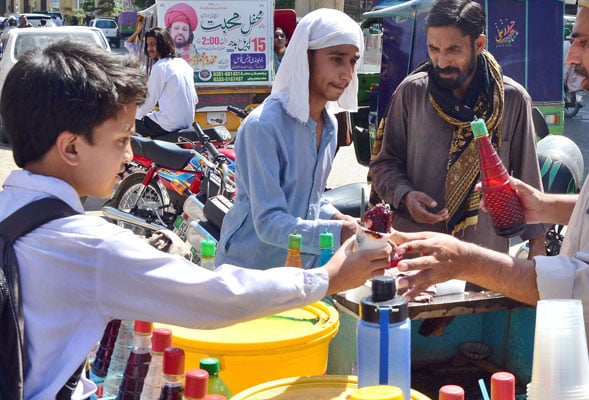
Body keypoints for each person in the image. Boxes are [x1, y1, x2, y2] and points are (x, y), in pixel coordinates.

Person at [0, 39, 391, 398]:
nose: (128, 158)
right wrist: (329, 278)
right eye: (121, 141)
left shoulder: (10, 210)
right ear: (70, 147)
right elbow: (217, 297)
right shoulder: (89, 245)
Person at [392, 0, 589, 382]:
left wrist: (464, 261)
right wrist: (542, 205)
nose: (571, 57)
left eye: (583, 42)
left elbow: (583, 288)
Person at [368, 0, 545, 258]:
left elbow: (529, 180)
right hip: (417, 253)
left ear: (479, 45)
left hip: (484, 258)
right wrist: (405, 196)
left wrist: (537, 247)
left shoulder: (512, 100)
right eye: (433, 49)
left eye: (453, 50)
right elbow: (383, 164)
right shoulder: (412, 93)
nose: (441, 61)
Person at [215, 8, 363, 270]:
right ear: (306, 58)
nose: (347, 75)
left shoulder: (328, 126)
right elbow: (269, 222)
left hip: (300, 271)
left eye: (352, 61)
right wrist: (337, 232)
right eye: (337, 59)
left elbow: (307, 199)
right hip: (250, 272)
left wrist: (338, 218)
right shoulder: (263, 126)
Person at [135, 27, 198, 137]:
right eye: (148, 45)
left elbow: (150, 99)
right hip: (187, 122)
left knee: (130, 124)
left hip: (169, 124)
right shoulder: (183, 64)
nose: (149, 48)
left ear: (163, 44)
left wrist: (134, 116)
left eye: (153, 44)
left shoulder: (160, 67)